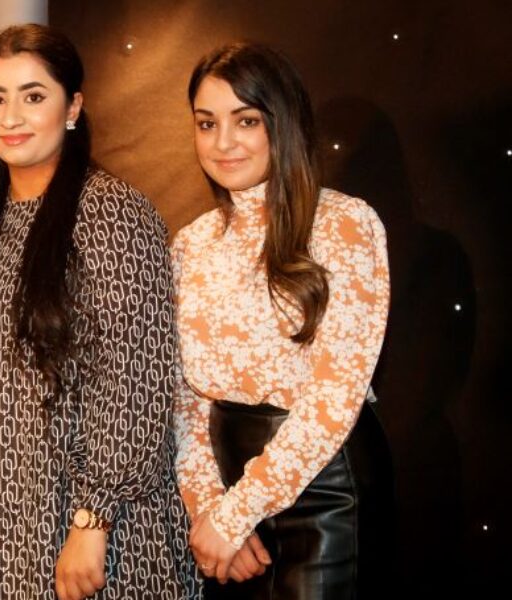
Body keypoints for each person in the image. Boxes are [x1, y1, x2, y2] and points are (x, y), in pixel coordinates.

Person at [0, 23, 201, 600]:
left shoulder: (112, 213)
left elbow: (136, 377)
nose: (11, 117)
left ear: (72, 106)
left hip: (92, 530)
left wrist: (92, 520)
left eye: (33, 96)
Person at [173, 42, 393, 598]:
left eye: (245, 120)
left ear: (283, 121)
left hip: (326, 492)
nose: (223, 142)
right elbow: (185, 397)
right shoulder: (191, 244)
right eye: (207, 123)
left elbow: (334, 397)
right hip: (227, 498)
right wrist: (210, 509)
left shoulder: (345, 224)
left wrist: (236, 513)